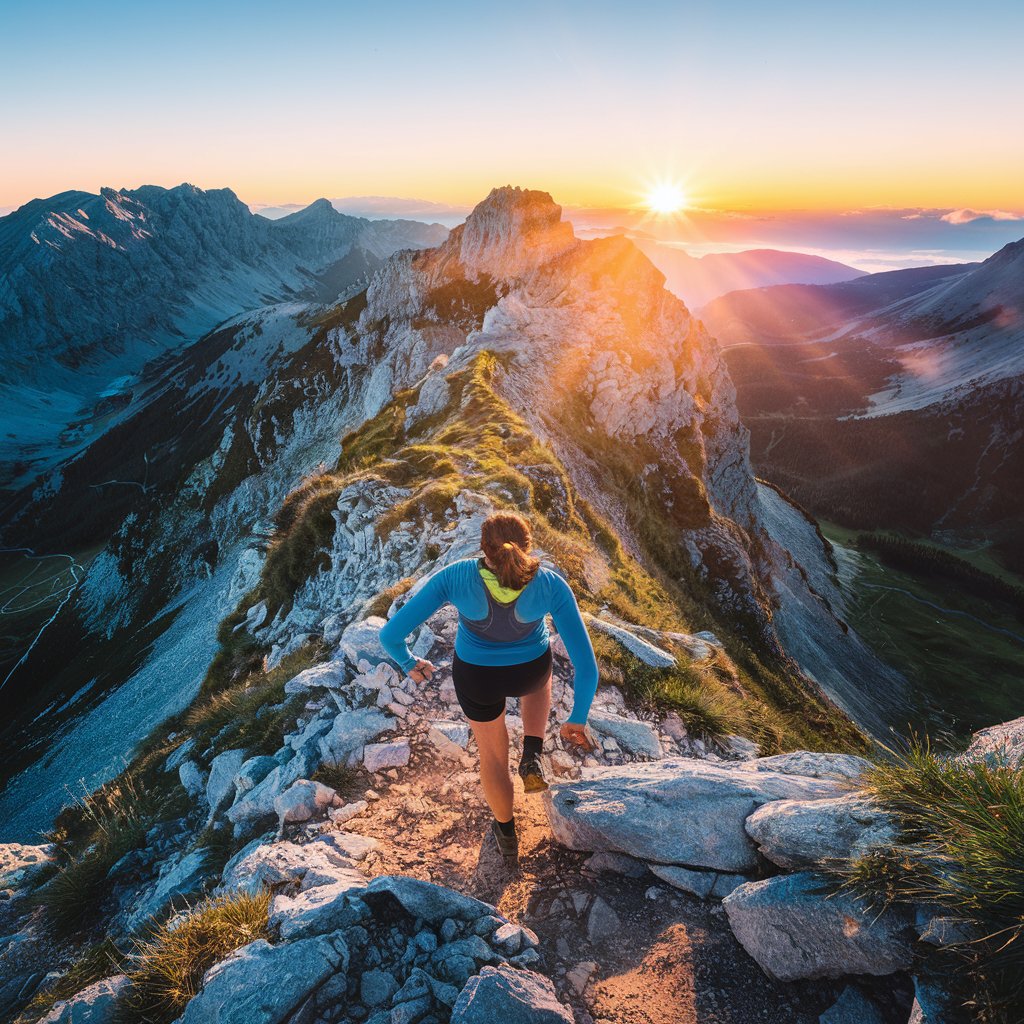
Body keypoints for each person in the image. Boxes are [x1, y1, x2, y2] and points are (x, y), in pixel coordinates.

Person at [378, 510, 599, 863]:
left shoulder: (457, 576)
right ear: (528, 546)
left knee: (493, 758)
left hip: (478, 676)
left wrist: (410, 664)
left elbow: (389, 635)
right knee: (540, 682)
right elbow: (587, 667)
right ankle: (532, 755)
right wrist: (577, 718)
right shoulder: (550, 584)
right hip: (529, 671)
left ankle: (507, 834)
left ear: (483, 549)